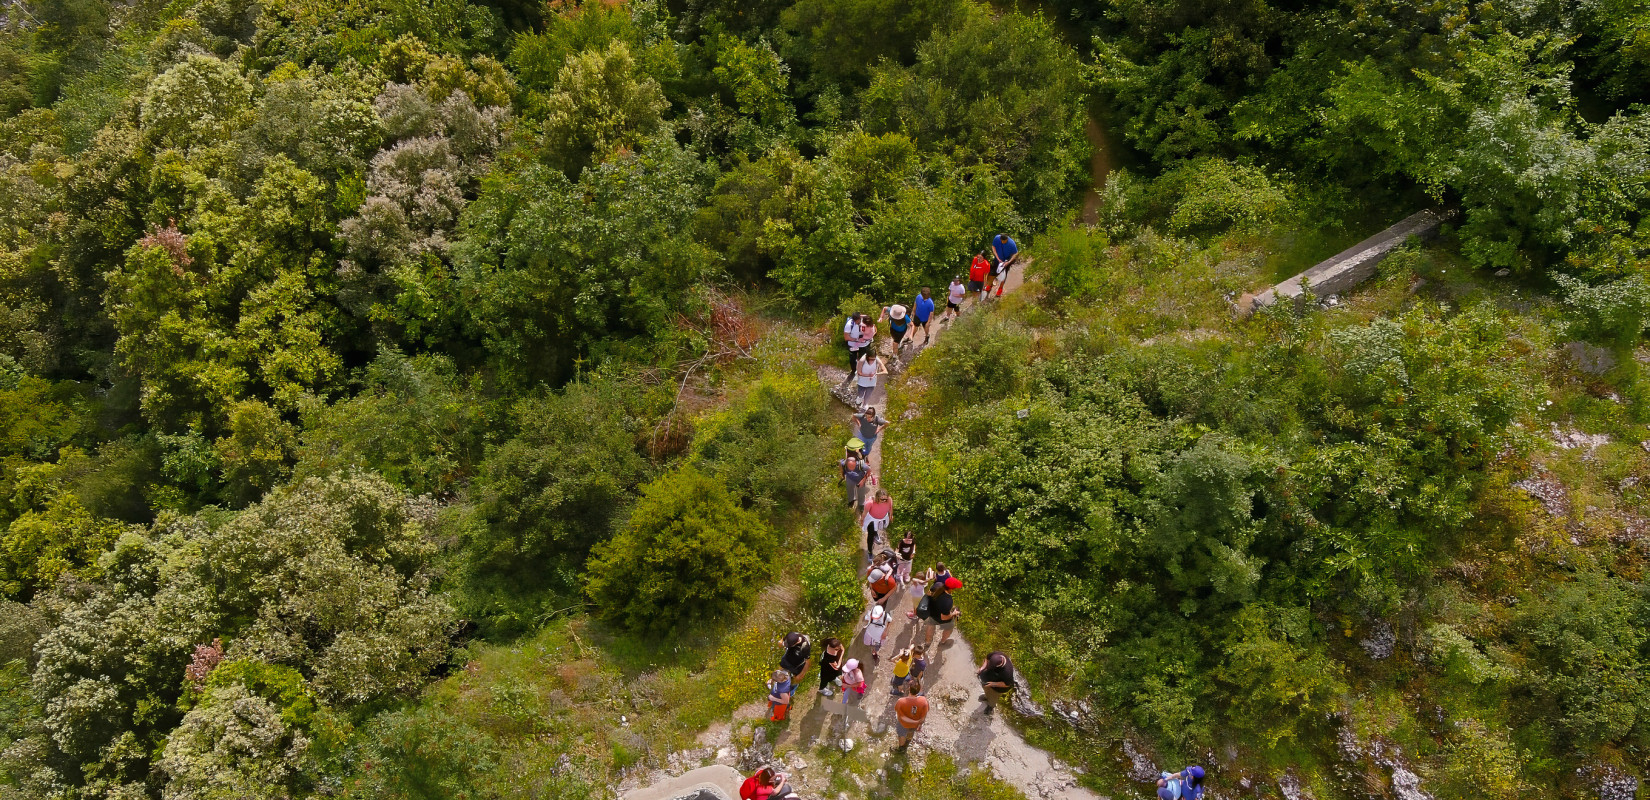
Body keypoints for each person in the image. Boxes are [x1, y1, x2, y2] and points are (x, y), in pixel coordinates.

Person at [923, 575, 961, 646]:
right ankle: (943, 641)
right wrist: (954, 613)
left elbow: (928, 593)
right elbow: (944, 617)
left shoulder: (938, 585)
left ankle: (927, 642)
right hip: (939, 617)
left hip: (932, 612)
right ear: (952, 589)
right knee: (950, 626)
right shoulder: (948, 601)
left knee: (930, 625)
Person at [976, 650, 1016, 716]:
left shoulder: (1007, 672)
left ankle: (991, 706)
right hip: (988, 681)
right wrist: (982, 668)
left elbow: (1007, 684)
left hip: (997, 688)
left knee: (993, 697)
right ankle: (986, 696)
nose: (989, 667)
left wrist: (992, 684)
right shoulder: (996, 654)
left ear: (999, 666)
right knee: (987, 690)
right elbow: (987, 658)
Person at [894, 681, 930, 748]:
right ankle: (908, 741)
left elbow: (900, 715)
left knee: (901, 735)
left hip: (903, 723)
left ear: (909, 689)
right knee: (911, 732)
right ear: (919, 690)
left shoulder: (901, 701)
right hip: (915, 725)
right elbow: (923, 717)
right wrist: (918, 723)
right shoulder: (924, 701)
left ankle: (901, 749)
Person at [860, 488, 892, 555]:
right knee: (870, 536)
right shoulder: (870, 503)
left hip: (882, 518)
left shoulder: (889, 500)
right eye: (882, 499)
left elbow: (890, 508)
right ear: (877, 497)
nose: (884, 501)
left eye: (885, 499)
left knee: (879, 527)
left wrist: (891, 516)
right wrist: (862, 521)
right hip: (871, 519)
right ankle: (870, 552)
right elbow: (864, 513)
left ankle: (875, 533)